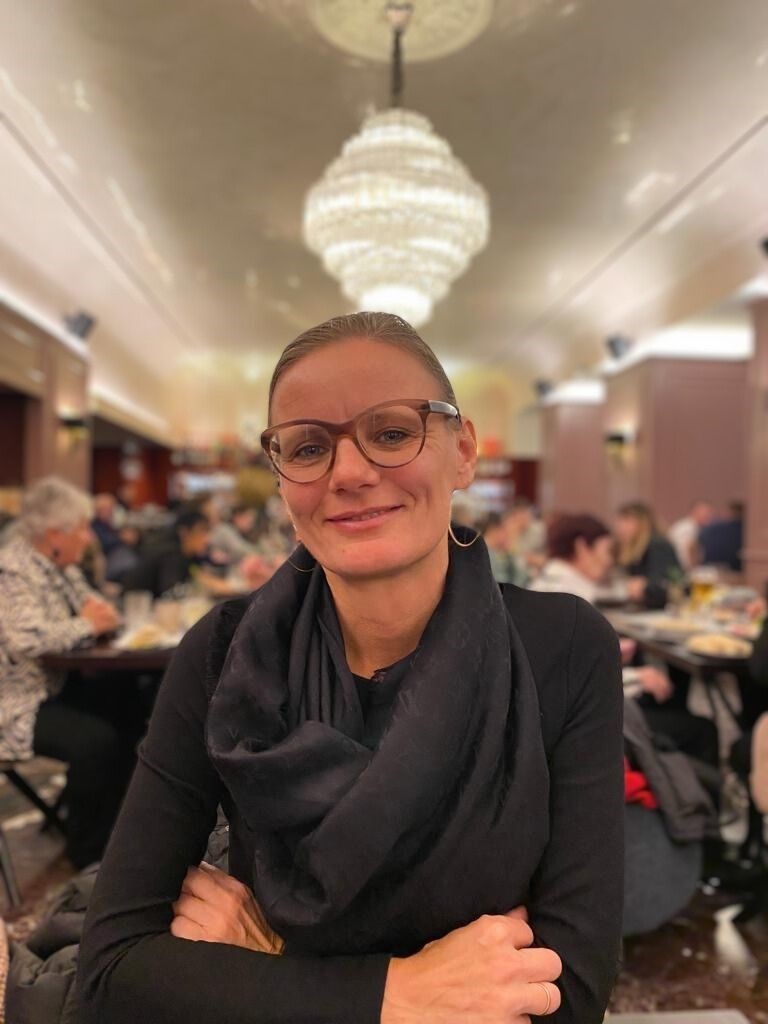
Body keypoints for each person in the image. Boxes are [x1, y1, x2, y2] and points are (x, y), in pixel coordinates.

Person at [77, 312, 623, 1024]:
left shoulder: (565, 646)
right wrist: (400, 995)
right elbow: (111, 972)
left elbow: (568, 995)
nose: (352, 473)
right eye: (308, 447)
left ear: (462, 452)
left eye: (392, 433)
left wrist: (274, 965)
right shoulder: (223, 650)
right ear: (281, 479)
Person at [0, 477, 143, 868]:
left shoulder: (61, 568)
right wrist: (86, 624)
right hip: (16, 705)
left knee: (134, 705)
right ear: (53, 534)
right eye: (81, 528)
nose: (88, 537)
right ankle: (88, 853)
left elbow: (101, 610)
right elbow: (27, 639)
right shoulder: (13, 571)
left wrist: (95, 619)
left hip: (55, 687)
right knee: (95, 742)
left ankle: (123, 829)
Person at [530, 514, 717, 764]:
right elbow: (573, 683)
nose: (611, 561)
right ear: (582, 547)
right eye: (607, 551)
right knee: (703, 729)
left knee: (667, 700)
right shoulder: (570, 600)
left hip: (554, 721)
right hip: (582, 727)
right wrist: (636, 678)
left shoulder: (550, 584)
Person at [122, 507, 214, 597]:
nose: (206, 539)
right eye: (201, 532)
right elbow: (170, 592)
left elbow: (199, 576)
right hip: (134, 602)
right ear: (184, 532)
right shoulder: (171, 554)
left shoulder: (191, 556)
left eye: (207, 532)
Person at [614, 501, 682, 608]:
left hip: (663, 609)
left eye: (627, 521)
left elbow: (670, 581)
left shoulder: (657, 545)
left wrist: (644, 586)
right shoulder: (630, 548)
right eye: (620, 521)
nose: (621, 526)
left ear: (642, 522)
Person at [480, 511, 527, 586]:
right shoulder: (487, 555)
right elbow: (513, 586)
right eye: (505, 530)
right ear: (493, 530)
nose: (508, 534)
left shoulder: (493, 551)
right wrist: (513, 551)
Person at [667, 500, 715, 570]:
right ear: (694, 512)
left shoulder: (689, 525)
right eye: (705, 513)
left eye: (710, 513)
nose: (709, 516)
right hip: (681, 568)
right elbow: (688, 553)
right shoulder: (688, 527)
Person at [698, 501, 745, 572]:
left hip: (709, 568)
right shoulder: (744, 530)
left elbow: (696, 545)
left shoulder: (711, 527)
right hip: (735, 569)